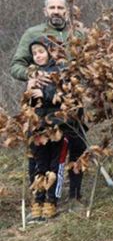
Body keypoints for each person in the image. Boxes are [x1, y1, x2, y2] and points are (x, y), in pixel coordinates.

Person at [10, 0, 87, 212]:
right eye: (51, 7)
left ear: (66, 11)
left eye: (60, 8)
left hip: (72, 102)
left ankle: (75, 195)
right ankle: (39, 196)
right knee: (39, 148)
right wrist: (31, 74)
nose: (56, 11)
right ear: (45, 11)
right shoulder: (34, 34)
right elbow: (16, 65)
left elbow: (89, 64)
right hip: (41, 104)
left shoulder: (78, 34)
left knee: (77, 146)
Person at [25, 38, 66, 222]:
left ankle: (51, 200)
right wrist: (29, 92)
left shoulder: (58, 71)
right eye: (35, 53)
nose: (38, 56)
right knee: (39, 163)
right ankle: (38, 200)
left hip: (55, 123)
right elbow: (29, 102)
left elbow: (63, 95)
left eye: (41, 52)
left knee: (54, 163)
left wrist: (45, 94)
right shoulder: (33, 74)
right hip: (37, 126)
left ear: (49, 52)